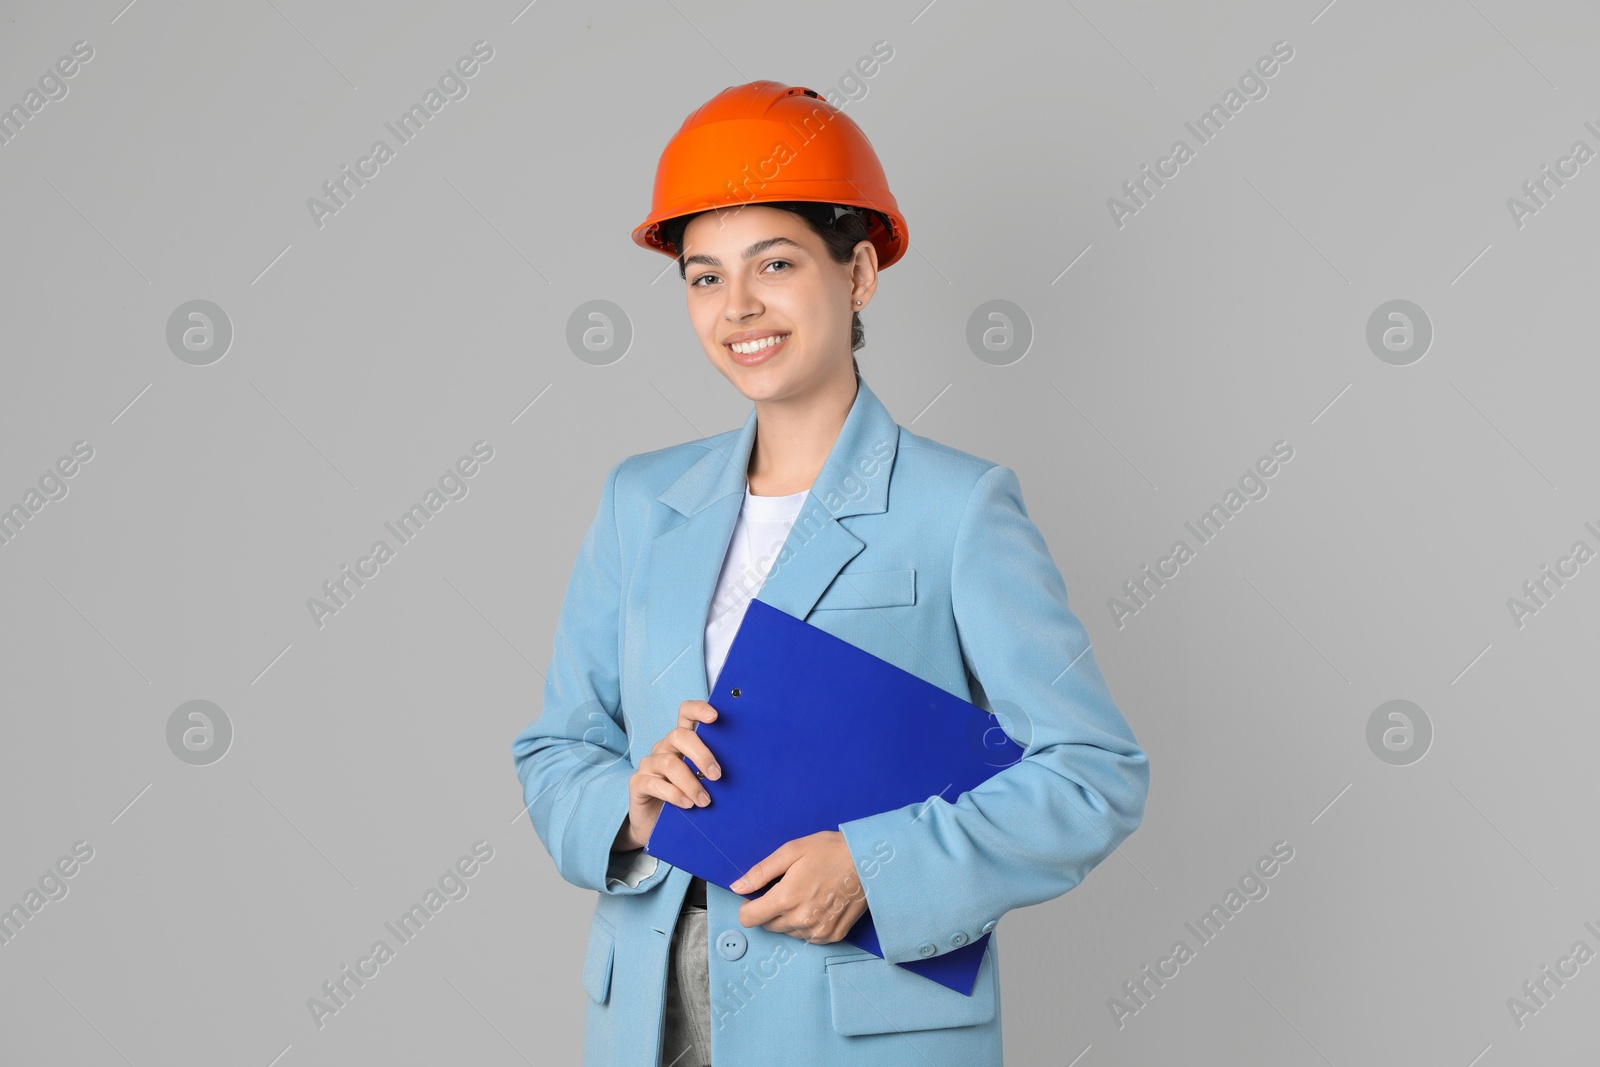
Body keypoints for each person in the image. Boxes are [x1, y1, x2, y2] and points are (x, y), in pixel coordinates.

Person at [511, 80, 1149, 1067]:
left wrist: (876, 866)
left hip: (857, 1029)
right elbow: (556, 745)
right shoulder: (640, 503)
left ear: (858, 274)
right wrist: (628, 807)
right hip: (649, 1023)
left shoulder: (958, 508)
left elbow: (1092, 771)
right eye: (704, 277)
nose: (739, 308)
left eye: (775, 263)